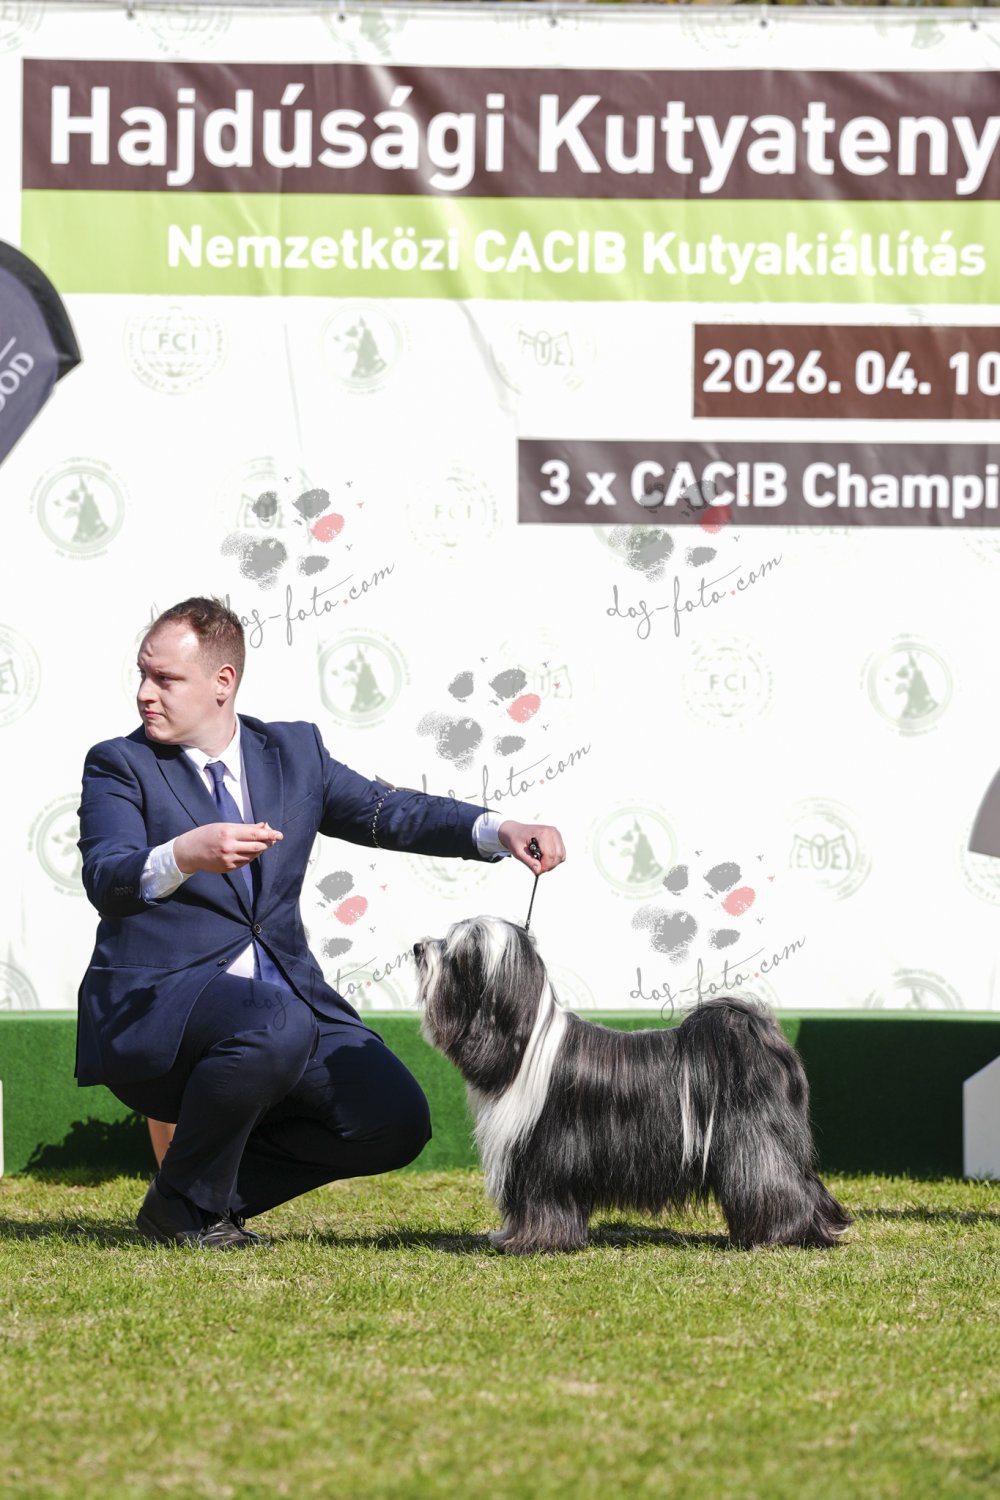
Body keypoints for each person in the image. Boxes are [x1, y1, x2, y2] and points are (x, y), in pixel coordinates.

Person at [76, 597, 565, 1249]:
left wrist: (499, 828)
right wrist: (182, 854)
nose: (145, 693)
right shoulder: (118, 764)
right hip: (157, 1009)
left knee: (391, 1117)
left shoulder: (293, 753)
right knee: (276, 1020)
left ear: (222, 681)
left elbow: (387, 811)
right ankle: (190, 1206)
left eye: (165, 678)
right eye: (143, 674)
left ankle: (187, 1199)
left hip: (283, 1009)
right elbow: (106, 877)